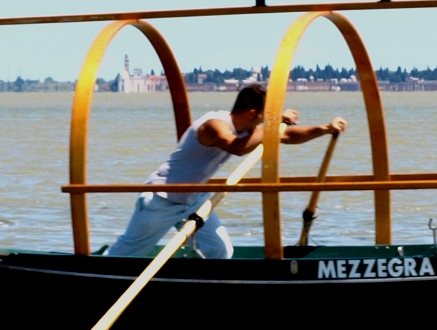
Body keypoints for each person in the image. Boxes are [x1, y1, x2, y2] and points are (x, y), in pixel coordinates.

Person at [107, 83, 347, 258]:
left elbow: (287, 136)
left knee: (220, 251)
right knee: (125, 255)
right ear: (252, 114)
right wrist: (275, 123)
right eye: (264, 117)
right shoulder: (214, 125)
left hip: (194, 200)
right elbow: (236, 148)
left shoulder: (249, 129)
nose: (265, 123)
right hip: (162, 198)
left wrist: (325, 128)